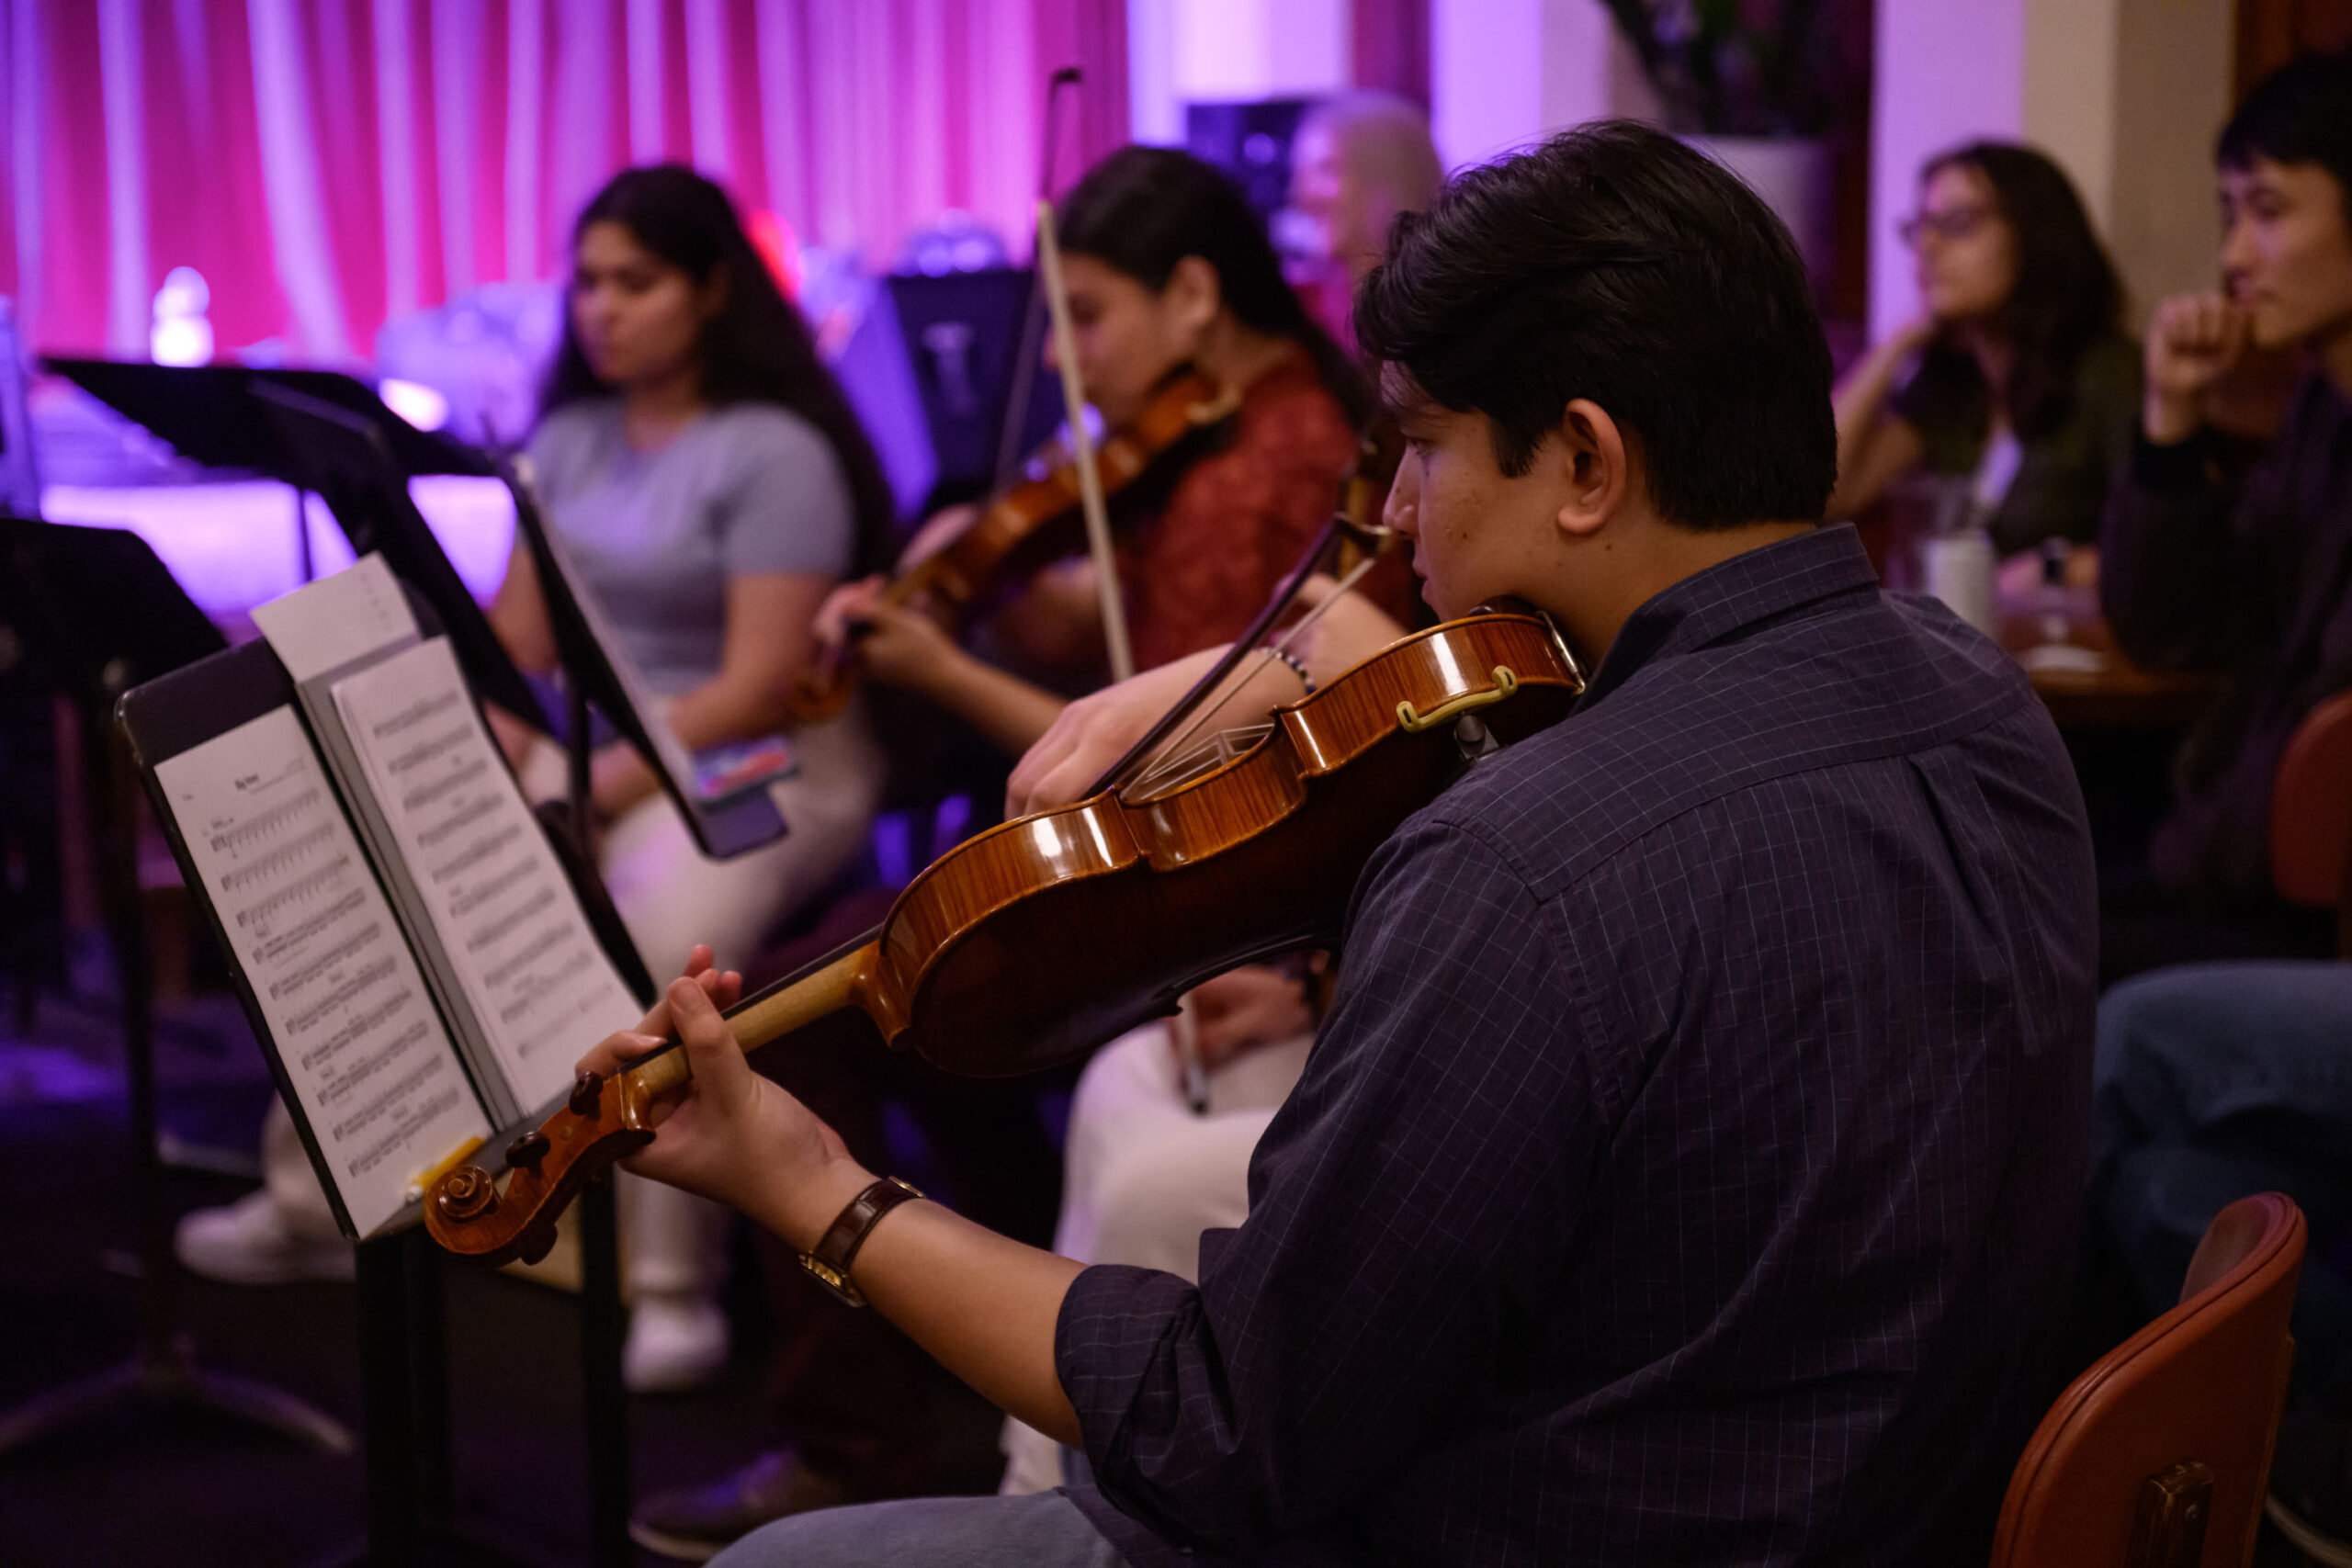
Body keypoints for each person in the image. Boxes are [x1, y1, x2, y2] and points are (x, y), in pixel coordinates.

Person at [582, 120, 2098, 1565]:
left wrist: (813, 1186)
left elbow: (1228, 1428)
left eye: (1424, 455)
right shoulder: (1982, 699)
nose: (1405, 530)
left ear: (1586, 462)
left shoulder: (1523, 862)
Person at [177, 165, 896, 1397]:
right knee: (399, 888)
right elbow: (520, 645)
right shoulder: (563, 437)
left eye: (638, 282)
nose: (603, 310)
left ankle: (667, 1280)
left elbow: (761, 682)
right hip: (603, 750)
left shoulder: (776, 447)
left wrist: (599, 781)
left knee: (664, 932)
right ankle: (327, 1200)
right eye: (589, 284)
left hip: (762, 762)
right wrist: (469, 756)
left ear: (713, 290)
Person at [812, 144, 1379, 758]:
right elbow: (1094, 622)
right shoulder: (1234, 414)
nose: (1056, 354)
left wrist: (944, 673)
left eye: (1084, 314)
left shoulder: (1253, 476)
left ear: (1193, 294)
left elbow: (1170, 761)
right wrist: (977, 561)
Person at [2098, 49, 2352, 980]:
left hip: (2303, 923)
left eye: (2269, 211)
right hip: (2225, 869)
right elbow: (2176, 629)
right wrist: (2170, 422)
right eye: (2228, 215)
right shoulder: (2323, 413)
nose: (2234, 258)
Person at [1830, 141, 2140, 568]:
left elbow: (2165, 546)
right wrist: (1897, 344)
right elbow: (1827, 493)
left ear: (2034, 236)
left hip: (2060, 631)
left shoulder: (2105, 371)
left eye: (1958, 223)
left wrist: (2058, 569)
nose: (1929, 246)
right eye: (1921, 227)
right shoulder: (1953, 385)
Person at [1283, 89, 1447, 350]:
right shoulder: (1299, 309)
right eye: (1301, 174)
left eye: (1327, 169)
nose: (1302, 196)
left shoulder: (1445, 308)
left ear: (1390, 177)